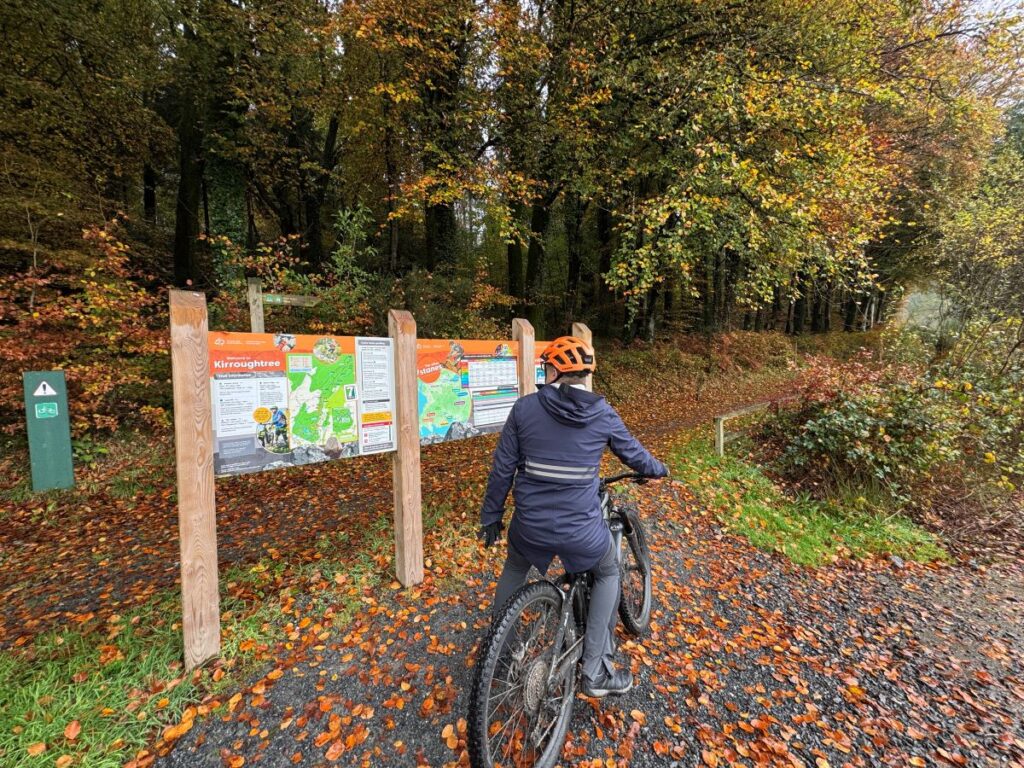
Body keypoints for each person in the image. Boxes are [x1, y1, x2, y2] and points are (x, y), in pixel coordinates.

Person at [478, 336, 669, 698]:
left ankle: (500, 648)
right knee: (609, 570)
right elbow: (634, 454)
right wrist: (659, 469)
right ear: (584, 375)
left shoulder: (524, 409)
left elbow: (502, 469)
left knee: (515, 568)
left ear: (553, 370)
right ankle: (595, 671)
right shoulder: (603, 413)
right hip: (581, 531)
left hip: (529, 525)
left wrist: (492, 517)